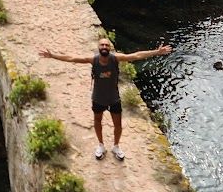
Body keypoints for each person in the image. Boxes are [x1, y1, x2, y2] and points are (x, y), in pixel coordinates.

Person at [39, 38, 172, 161]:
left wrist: (157, 52)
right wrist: (53, 55)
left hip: (114, 98)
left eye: (107, 45)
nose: (104, 46)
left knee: (118, 124)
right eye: (102, 45)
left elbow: (136, 55)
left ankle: (116, 146)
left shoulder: (115, 59)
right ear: (98, 47)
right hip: (98, 98)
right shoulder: (93, 60)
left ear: (109, 48)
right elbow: (72, 58)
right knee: (97, 121)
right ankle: (101, 145)